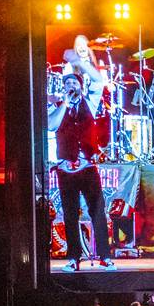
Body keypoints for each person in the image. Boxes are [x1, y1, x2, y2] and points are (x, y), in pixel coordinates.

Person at [48, 72, 115, 272]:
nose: (70, 85)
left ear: (80, 85)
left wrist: (81, 60)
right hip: (66, 169)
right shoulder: (58, 106)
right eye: (67, 82)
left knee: (97, 211)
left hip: (87, 167)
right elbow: (52, 125)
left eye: (74, 82)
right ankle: (73, 259)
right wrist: (64, 104)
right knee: (70, 214)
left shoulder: (91, 103)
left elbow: (98, 81)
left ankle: (105, 257)